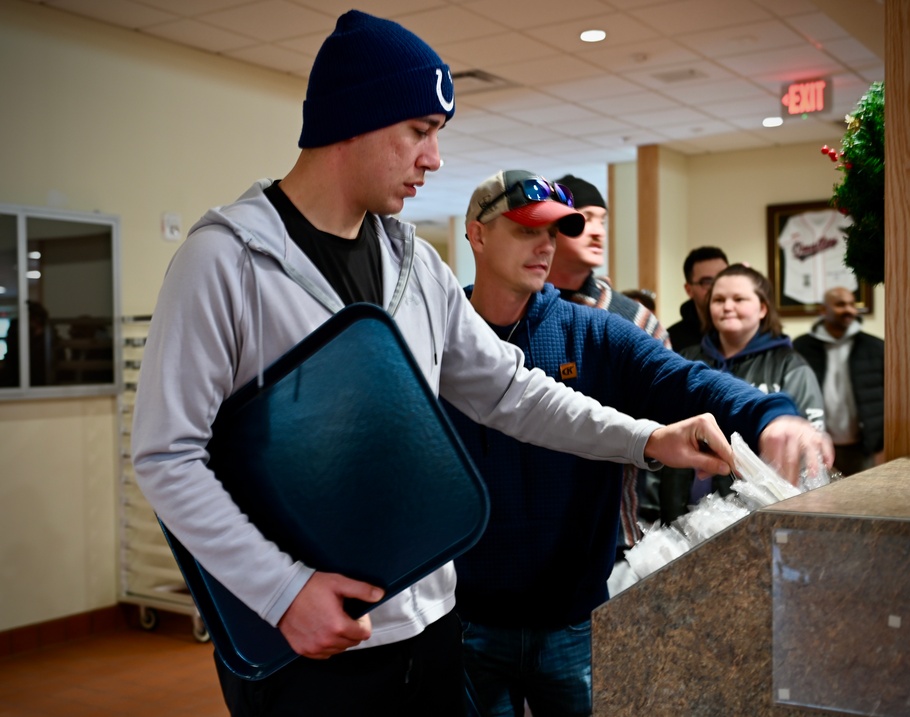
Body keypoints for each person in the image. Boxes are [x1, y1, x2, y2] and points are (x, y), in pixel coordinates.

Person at [130, 12, 827, 716]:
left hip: (430, 629)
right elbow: (168, 455)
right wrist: (281, 590)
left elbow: (510, 390)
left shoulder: (414, 265)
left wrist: (646, 439)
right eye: (420, 131)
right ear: (353, 119)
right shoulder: (224, 260)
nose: (433, 159)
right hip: (306, 643)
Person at [449, 170, 831, 717]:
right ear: (478, 235)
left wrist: (771, 413)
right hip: (470, 620)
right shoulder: (443, 335)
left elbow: (685, 380)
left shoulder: (594, 331)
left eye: (554, 233)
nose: (544, 246)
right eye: (526, 230)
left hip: (573, 619)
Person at [547, 173, 671, 553]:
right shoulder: (518, 311)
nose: (598, 231)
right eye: (584, 218)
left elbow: (670, 410)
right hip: (528, 527)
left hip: (615, 532)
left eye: (603, 220)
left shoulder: (633, 319)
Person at [663, 264, 827, 523]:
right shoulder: (687, 360)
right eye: (718, 299)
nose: (727, 306)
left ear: (762, 308)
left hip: (762, 514)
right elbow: (659, 427)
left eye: (739, 299)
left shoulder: (790, 365)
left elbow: (808, 448)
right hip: (682, 511)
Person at [793, 286, 884, 475]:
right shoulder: (800, 348)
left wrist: (881, 443)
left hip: (862, 448)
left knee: (861, 500)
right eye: (841, 304)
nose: (849, 310)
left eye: (852, 304)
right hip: (816, 445)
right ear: (823, 310)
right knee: (821, 502)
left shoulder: (876, 347)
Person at [665, 246, 729, 353]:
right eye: (707, 282)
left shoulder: (749, 332)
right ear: (689, 290)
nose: (718, 287)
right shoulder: (671, 341)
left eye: (723, 278)